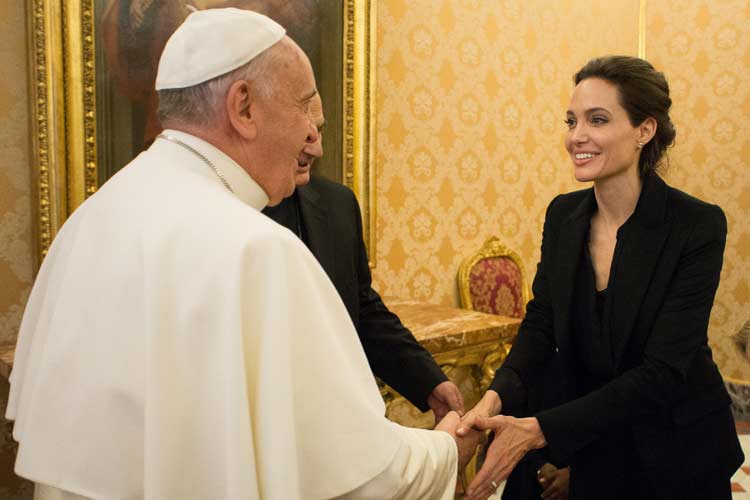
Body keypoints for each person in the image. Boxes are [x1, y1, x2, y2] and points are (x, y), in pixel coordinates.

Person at [6, 9, 481, 499]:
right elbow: (360, 480)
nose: (313, 140)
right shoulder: (256, 249)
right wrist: (444, 451)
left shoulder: (90, 218)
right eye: (304, 109)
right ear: (245, 107)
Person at [458, 55, 743, 500]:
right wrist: (490, 402)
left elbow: (664, 371)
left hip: (672, 448)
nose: (577, 136)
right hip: (586, 432)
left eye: (598, 120)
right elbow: (541, 325)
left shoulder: (697, 226)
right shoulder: (563, 215)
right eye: (571, 121)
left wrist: (539, 430)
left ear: (644, 131)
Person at [262, 92, 463, 421]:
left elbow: (362, 308)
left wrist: (428, 380)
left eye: (320, 130)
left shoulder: (337, 203)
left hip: (338, 420)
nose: (316, 148)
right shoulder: (223, 211)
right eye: (305, 133)